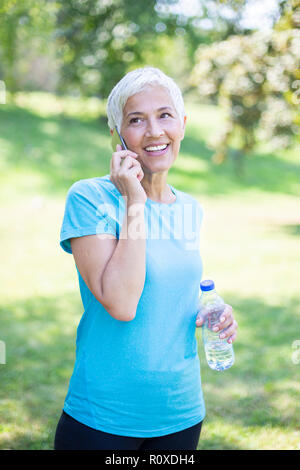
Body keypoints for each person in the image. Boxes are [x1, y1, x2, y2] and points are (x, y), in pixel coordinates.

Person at [54, 67, 238, 451]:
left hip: (181, 413)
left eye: (165, 115)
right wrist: (133, 200)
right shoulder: (90, 198)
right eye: (136, 120)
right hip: (104, 418)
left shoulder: (190, 208)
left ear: (182, 125)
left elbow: (168, 289)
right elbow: (121, 303)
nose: (154, 131)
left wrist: (207, 312)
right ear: (117, 137)